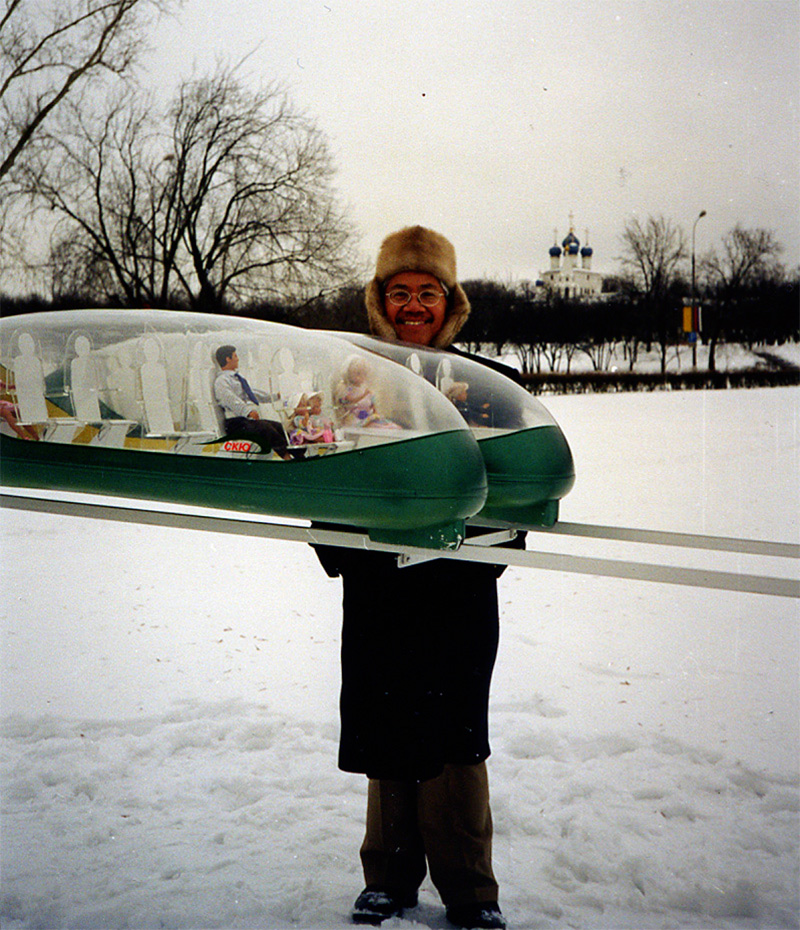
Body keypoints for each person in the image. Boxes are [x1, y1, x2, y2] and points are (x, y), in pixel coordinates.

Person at [314, 226, 524, 929]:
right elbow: (323, 466)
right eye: (399, 292)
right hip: (379, 588)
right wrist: (342, 543)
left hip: (458, 589)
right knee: (386, 726)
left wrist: (484, 546)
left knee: (456, 735)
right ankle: (388, 876)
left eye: (427, 292)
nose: (412, 305)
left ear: (449, 302)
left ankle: (471, 889)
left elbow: (518, 481)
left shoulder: (490, 386)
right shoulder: (349, 379)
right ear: (380, 300)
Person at [213, 345, 293, 459]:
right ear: (228, 359)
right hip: (235, 423)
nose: (238, 359)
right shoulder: (221, 381)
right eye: (235, 356)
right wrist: (248, 411)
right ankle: (286, 457)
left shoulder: (237, 379)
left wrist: (274, 396)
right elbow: (230, 399)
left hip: (245, 421)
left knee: (279, 427)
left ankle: (298, 455)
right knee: (265, 429)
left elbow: (252, 393)